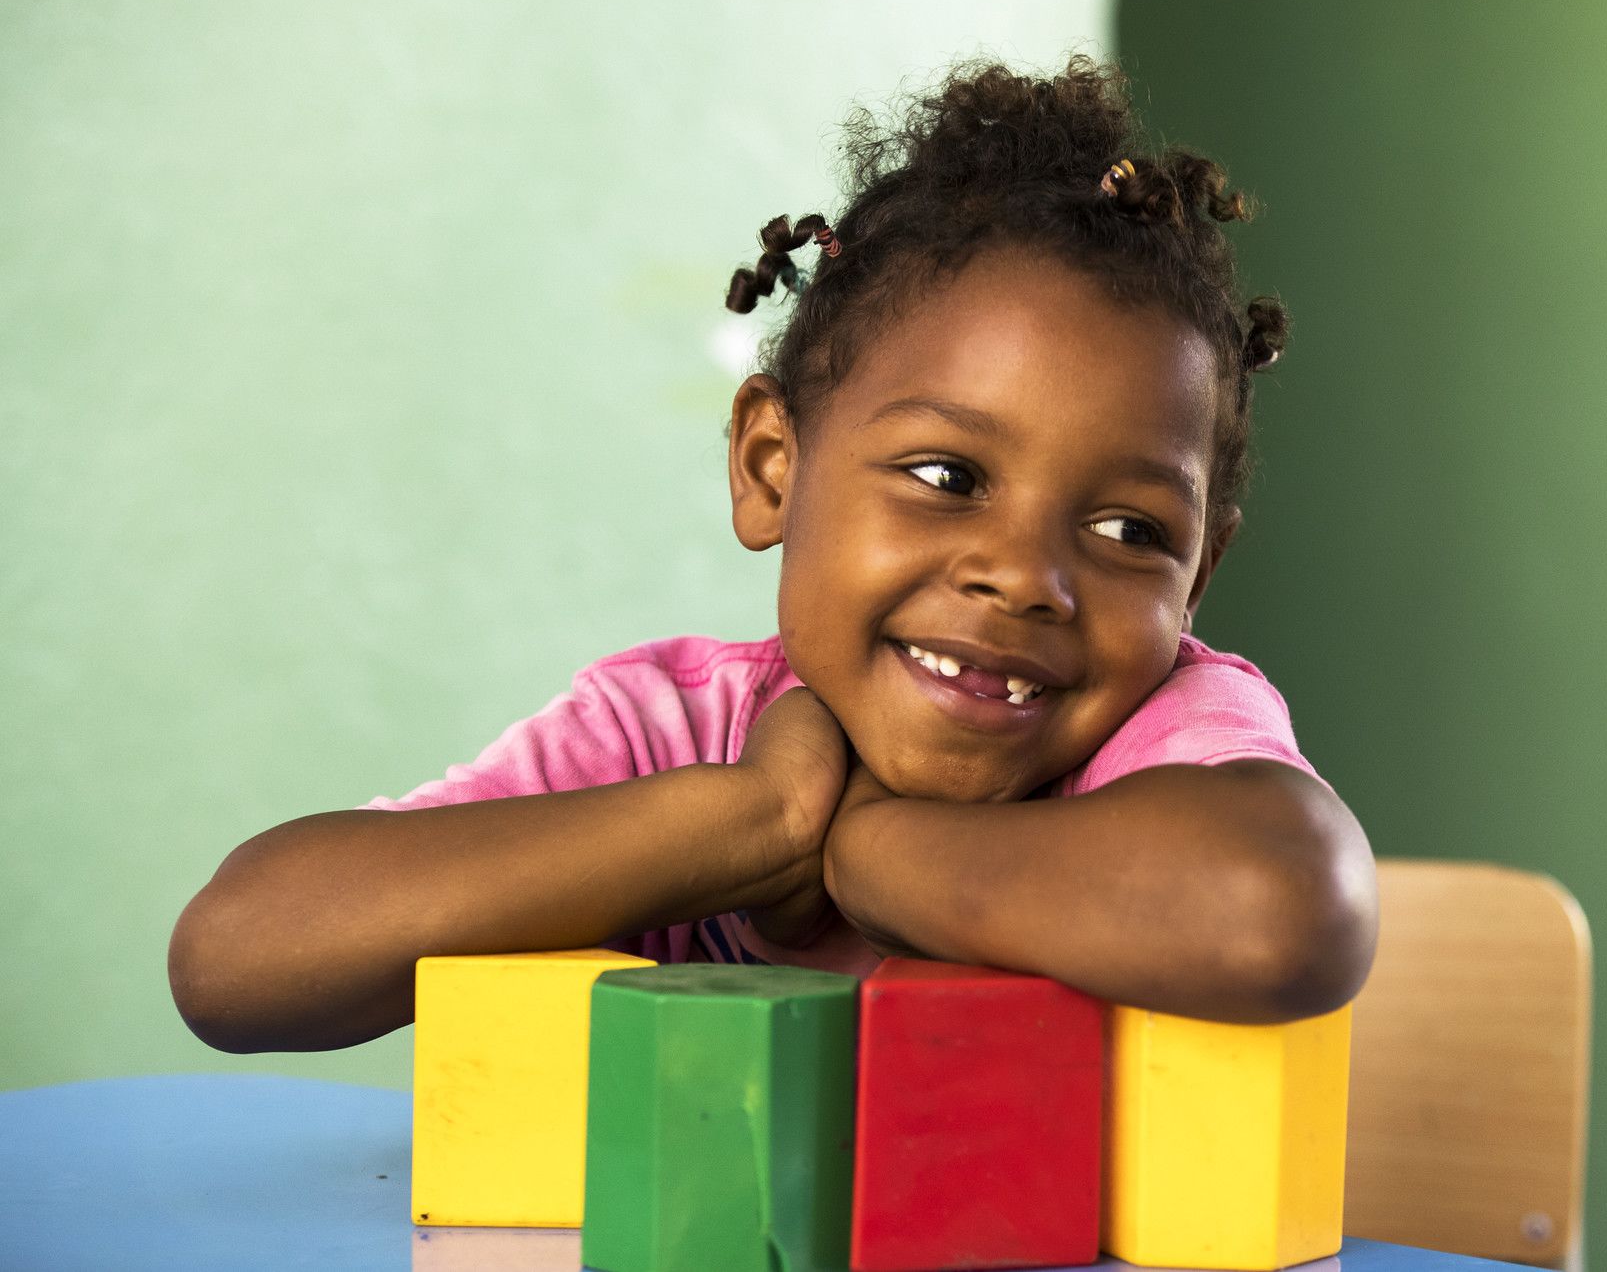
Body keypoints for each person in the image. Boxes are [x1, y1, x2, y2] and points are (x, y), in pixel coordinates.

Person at [168, 57, 1376, 1055]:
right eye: (946, 478)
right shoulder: (671, 734)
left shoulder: (1161, 740)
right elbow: (238, 959)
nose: (1024, 577)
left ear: (1196, 577)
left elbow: (1278, 913)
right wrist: (757, 818)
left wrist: (869, 851)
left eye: (1128, 533)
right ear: (769, 468)